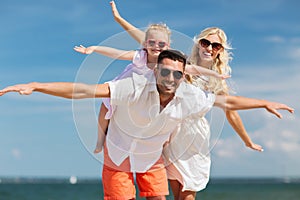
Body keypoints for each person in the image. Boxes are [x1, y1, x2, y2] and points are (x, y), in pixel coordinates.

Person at [0, 49, 294, 199]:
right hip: (118, 157)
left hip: (151, 159)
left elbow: (227, 102)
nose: (170, 79)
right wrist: (37, 85)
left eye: (176, 75)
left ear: (182, 77)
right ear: (157, 72)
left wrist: (263, 102)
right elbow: (84, 90)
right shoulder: (134, 87)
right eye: (165, 72)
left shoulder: (189, 96)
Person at [106, 1, 269, 199]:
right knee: (165, 191)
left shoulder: (219, 82)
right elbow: (149, 42)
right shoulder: (181, 64)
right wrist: (120, 20)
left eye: (215, 45)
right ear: (198, 43)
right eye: (205, 42)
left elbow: (231, 111)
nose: (209, 48)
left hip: (194, 138)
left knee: (187, 195)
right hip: (169, 132)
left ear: (220, 51)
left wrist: (247, 141)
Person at [73, 23, 228, 154]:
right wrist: (94, 49)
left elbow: (192, 69)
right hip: (128, 86)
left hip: (147, 92)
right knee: (105, 107)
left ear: (167, 46)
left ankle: (162, 144)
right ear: (145, 44)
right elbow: (117, 54)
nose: (156, 47)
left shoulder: (168, 60)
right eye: (152, 43)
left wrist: (214, 74)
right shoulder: (140, 55)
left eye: (161, 44)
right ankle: (100, 140)